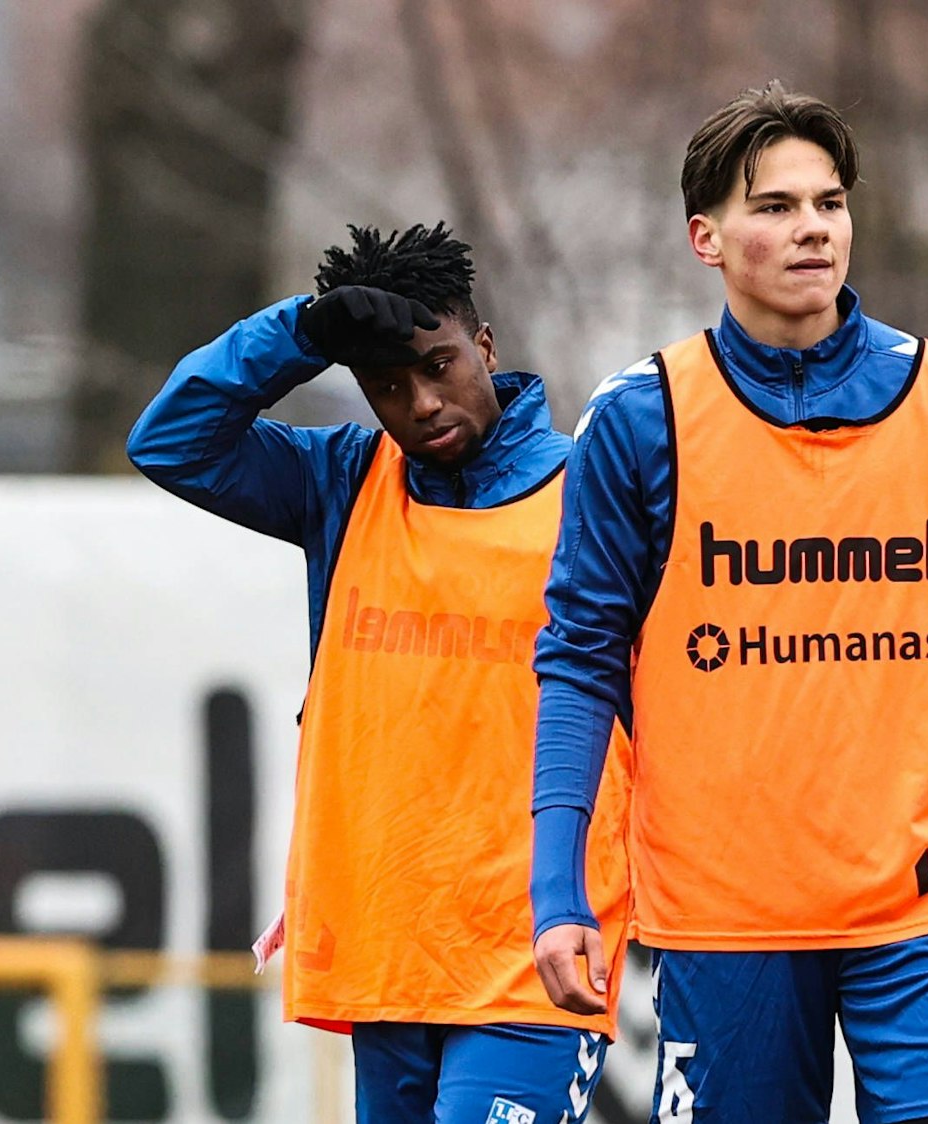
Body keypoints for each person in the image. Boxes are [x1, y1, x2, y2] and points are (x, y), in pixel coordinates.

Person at [527, 82, 928, 1124]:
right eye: (776, 206)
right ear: (705, 238)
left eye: (830, 203)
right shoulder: (640, 416)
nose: (813, 228)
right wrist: (558, 887)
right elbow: (578, 661)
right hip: (726, 917)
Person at [126, 223, 632, 1123]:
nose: (422, 402)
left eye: (438, 366)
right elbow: (172, 441)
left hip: (534, 956)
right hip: (387, 944)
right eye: (388, 386)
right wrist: (300, 333)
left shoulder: (593, 491)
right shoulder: (345, 481)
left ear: (484, 346)